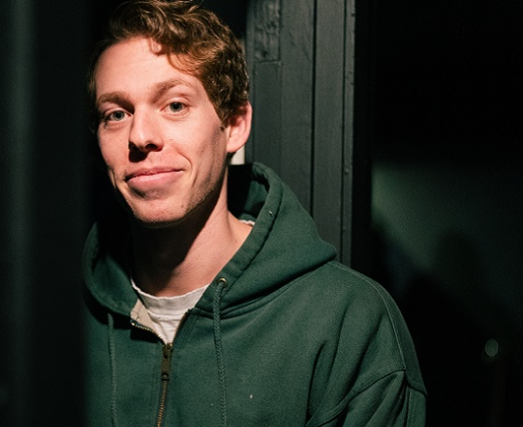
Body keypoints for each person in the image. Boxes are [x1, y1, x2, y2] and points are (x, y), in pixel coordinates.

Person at [82, 1, 426, 425]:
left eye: (175, 105)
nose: (140, 136)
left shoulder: (345, 322)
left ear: (235, 124)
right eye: (116, 114)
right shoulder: (58, 316)